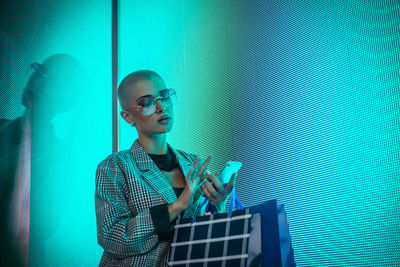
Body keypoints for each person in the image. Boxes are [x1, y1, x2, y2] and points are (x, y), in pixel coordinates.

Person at [95, 70, 237, 266]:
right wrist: (178, 205)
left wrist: (219, 204)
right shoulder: (115, 167)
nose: (161, 107)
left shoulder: (193, 163)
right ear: (127, 116)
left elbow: (221, 236)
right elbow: (112, 238)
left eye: (164, 96)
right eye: (146, 103)